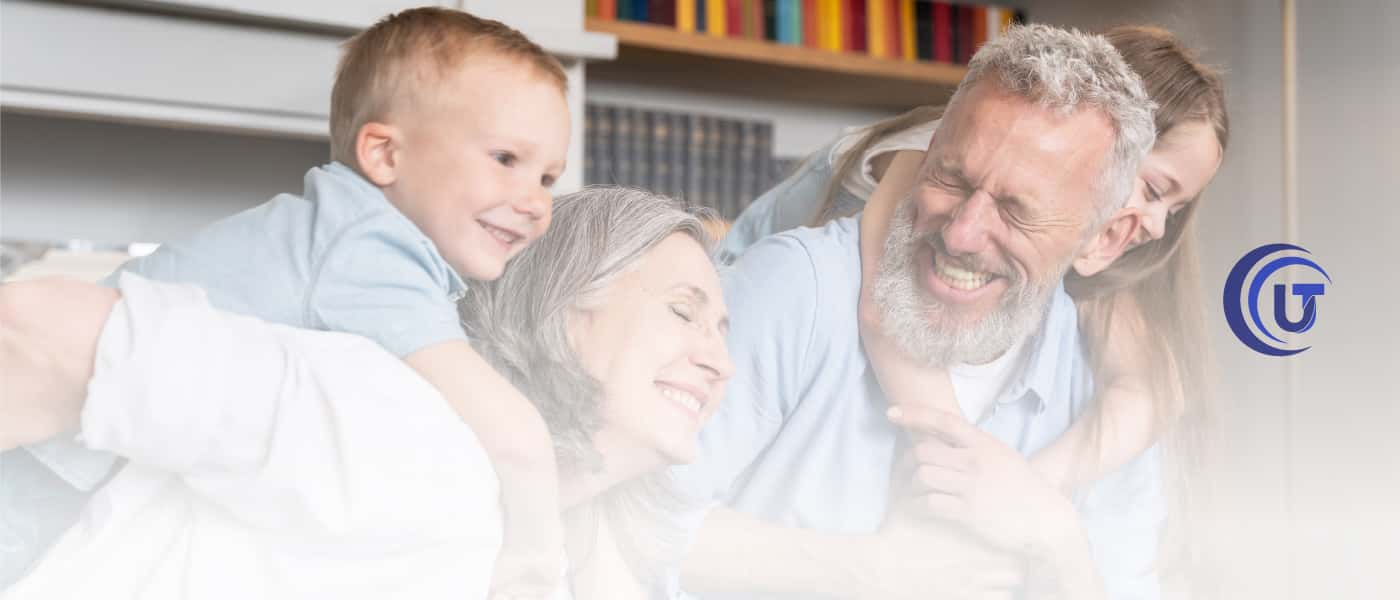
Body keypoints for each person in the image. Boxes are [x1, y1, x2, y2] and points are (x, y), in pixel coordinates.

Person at [0, 8, 573, 597]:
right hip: (46, 466)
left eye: (548, 178)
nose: (533, 202)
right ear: (384, 155)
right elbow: (511, 434)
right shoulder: (369, 248)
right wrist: (536, 557)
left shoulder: (338, 233)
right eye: (506, 160)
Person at [0, 188, 733, 599]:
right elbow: (39, 335)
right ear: (565, 309)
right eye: (683, 311)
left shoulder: (565, 550)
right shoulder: (400, 425)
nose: (720, 362)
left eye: (723, 330)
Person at [673, 24, 1163, 599]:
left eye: (1016, 209)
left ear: (1105, 239)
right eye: (951, 179)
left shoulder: (1099, 389)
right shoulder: (794, 289)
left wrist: (1059, 542)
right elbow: (625, 514)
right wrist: (866, 572)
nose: (961, 234)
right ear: (924, 154)